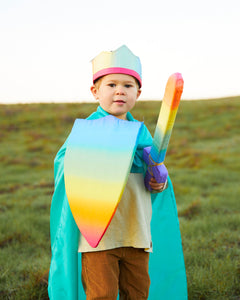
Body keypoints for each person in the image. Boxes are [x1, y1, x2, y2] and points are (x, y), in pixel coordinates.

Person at [48, 45, 188, 300]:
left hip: (136, 233)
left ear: (138, 92)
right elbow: (66, 164)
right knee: (101, 294)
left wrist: (159, 179)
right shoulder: (87, 131)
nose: (120, 90)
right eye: (111, 85)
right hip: (98, 238)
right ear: (95, 91)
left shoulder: (142, 133)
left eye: (128, 85)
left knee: (137, 292)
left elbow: (155, 177)